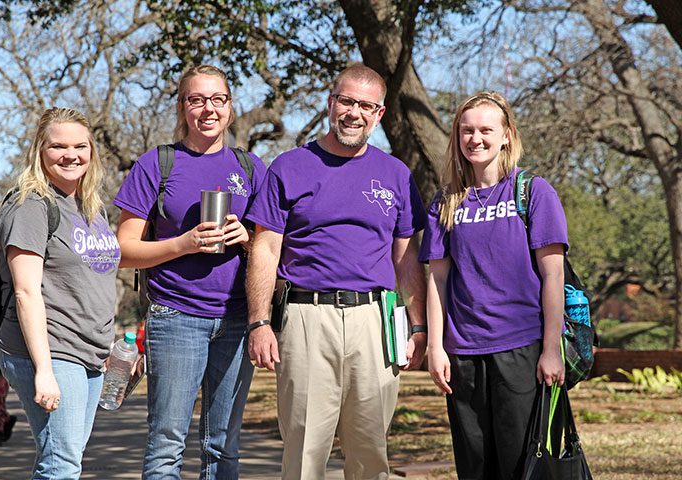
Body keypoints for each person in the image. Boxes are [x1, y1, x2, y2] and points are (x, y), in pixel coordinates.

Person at [245, 63, 428, 480]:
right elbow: (265, 250)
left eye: (366, 105)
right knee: (306, 450)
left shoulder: (396, 174)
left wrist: (418, 327)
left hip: (375, 320)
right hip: (307, 318)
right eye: (346, 101)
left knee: (370, 451)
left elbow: (405, 258)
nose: (353, 113)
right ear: (331, 103)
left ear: (379, 114)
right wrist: (259, 323)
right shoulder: (289, 167)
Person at [114, 64, 265, 479]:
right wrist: (183, 244)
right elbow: (123, 250)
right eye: (196, 100)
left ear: (230, 107)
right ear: (183, 107)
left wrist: (245, 238)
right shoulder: (157, 164)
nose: (208, 109)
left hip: (236, 319)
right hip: (175, 317)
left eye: (218, 99)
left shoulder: (252, 168)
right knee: (166, 443)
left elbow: (273, 250)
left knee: (224, 447)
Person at [420, 91, 567, 479]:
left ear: (506, 135)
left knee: (523, 466)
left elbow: (554, 275)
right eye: (466, 130)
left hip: (520, 351)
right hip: (463, 355)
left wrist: (551, 350)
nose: (476, 138)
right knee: (475, 468)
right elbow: (436, 279)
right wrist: (435, 347)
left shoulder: (533, 192)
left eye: (486, 129)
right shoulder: (445, 202)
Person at [0, 107, 121, 479]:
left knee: (64, 461)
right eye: (58, 146)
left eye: (81, 145)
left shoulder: (89, 208)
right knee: (62, 465)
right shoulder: (32, 206)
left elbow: (91, 282)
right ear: (40, 151)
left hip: (88, 355)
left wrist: (112, 346)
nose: (72, 154)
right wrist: (45, 370)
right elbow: (25, 292)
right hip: (50, 352)